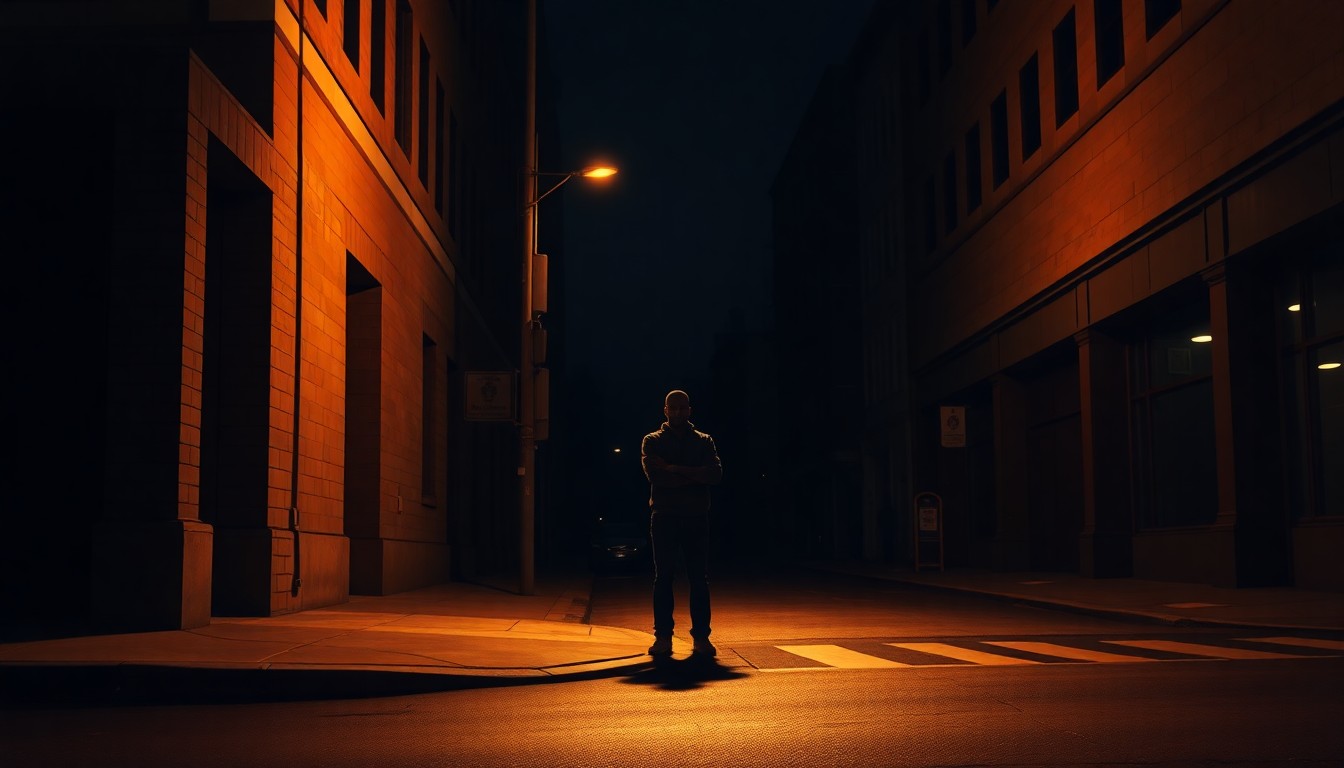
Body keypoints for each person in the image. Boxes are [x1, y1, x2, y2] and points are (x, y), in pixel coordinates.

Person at [640, 389, 723, 657]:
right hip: (665, 517)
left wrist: (674, 468)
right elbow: (656, 477)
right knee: (663, 578)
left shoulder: (703, 440)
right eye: (672, 408)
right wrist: (694, 474)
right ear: (665, 410)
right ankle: (663, 637)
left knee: (699, 579)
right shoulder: (652, 441)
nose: (677, 412)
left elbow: (715, 474)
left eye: (681, 408)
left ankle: (702, 639)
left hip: (696, 517)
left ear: (689, 410)